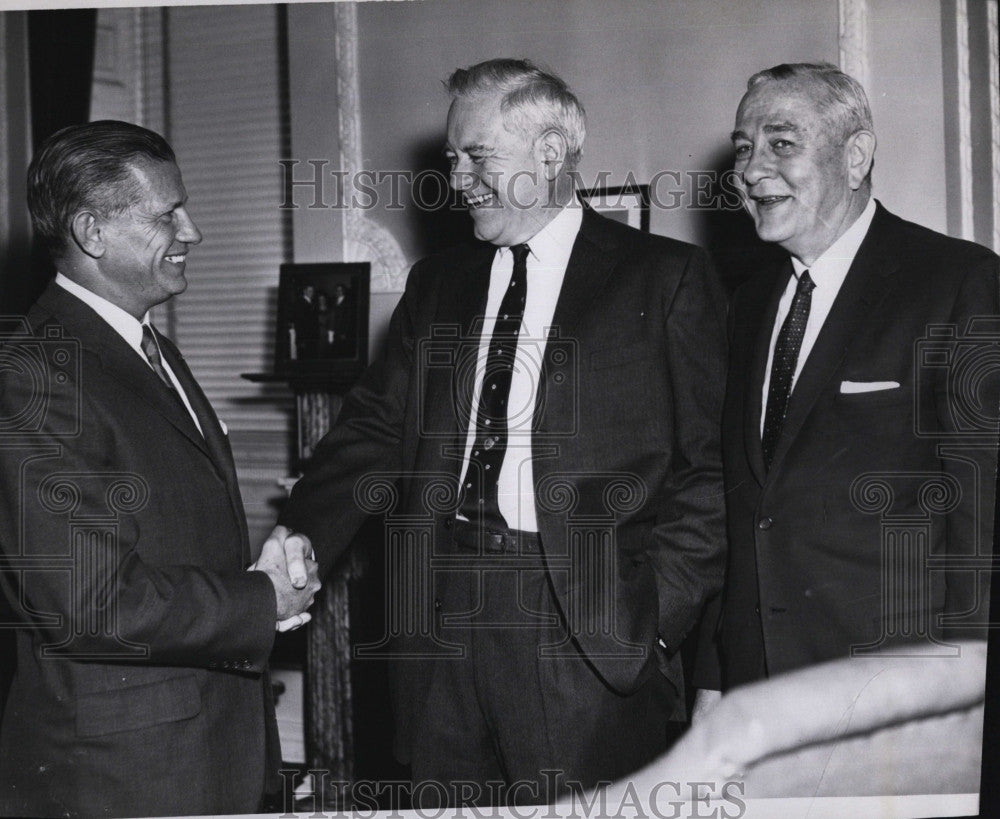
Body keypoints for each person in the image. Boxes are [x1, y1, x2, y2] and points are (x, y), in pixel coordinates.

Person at [265, 58, 727, 806]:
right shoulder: (437, 282)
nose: (455, 179)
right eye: (452, 157)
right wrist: (301, 536)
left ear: (549, 153)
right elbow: (375, 428)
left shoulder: (664, 279)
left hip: (583, 626)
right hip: (438, 624)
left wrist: (654, 618)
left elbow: (709, 473)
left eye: (476, 156)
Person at [0, 120, 320, 818]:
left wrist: (258, 573)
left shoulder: (146, 347)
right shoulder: (36, 375)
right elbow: (92, 603)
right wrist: (261, 600)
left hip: (202, 749)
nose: (192, 231)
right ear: (92, 232)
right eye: (166, 214)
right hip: (125, 777)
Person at [693, 63, 998, 711]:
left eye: (781, 143)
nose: (750, 170)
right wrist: (715, 674)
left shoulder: (956, 281)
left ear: (855, 155)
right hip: (757, 690)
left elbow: (982, 513)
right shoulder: (747, 303)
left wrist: (962, 688)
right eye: (743, 149)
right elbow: (741, 505)